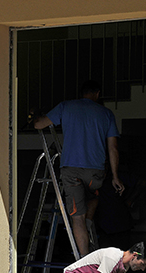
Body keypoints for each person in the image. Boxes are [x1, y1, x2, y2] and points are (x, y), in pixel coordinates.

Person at [33, 80, 124, 257]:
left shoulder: (66, 106)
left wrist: (35, 114)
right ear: (97, 94)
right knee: (93, 194)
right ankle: (88, 223)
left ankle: (83, 257)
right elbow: (113, 148)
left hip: (71, 170)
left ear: (82, 93)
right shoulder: (106, 113)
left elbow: (39, 125)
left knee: (77, 217)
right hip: (95, 172)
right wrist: (115, 176)